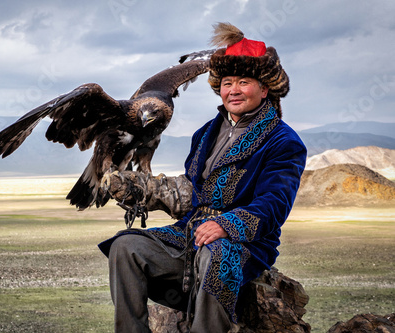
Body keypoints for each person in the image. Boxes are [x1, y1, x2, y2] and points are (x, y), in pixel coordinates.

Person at [98, 22, 307, 332]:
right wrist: (142, 189)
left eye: (244, 81)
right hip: (190, 233)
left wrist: (225, 225)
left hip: (246, 243)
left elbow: (274, 204)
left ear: (264, 89)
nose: (233, 90)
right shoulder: (204, 134)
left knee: (215, 254)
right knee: (126, 246)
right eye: (227, 83)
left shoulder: (283, 141)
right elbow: (192, 190)